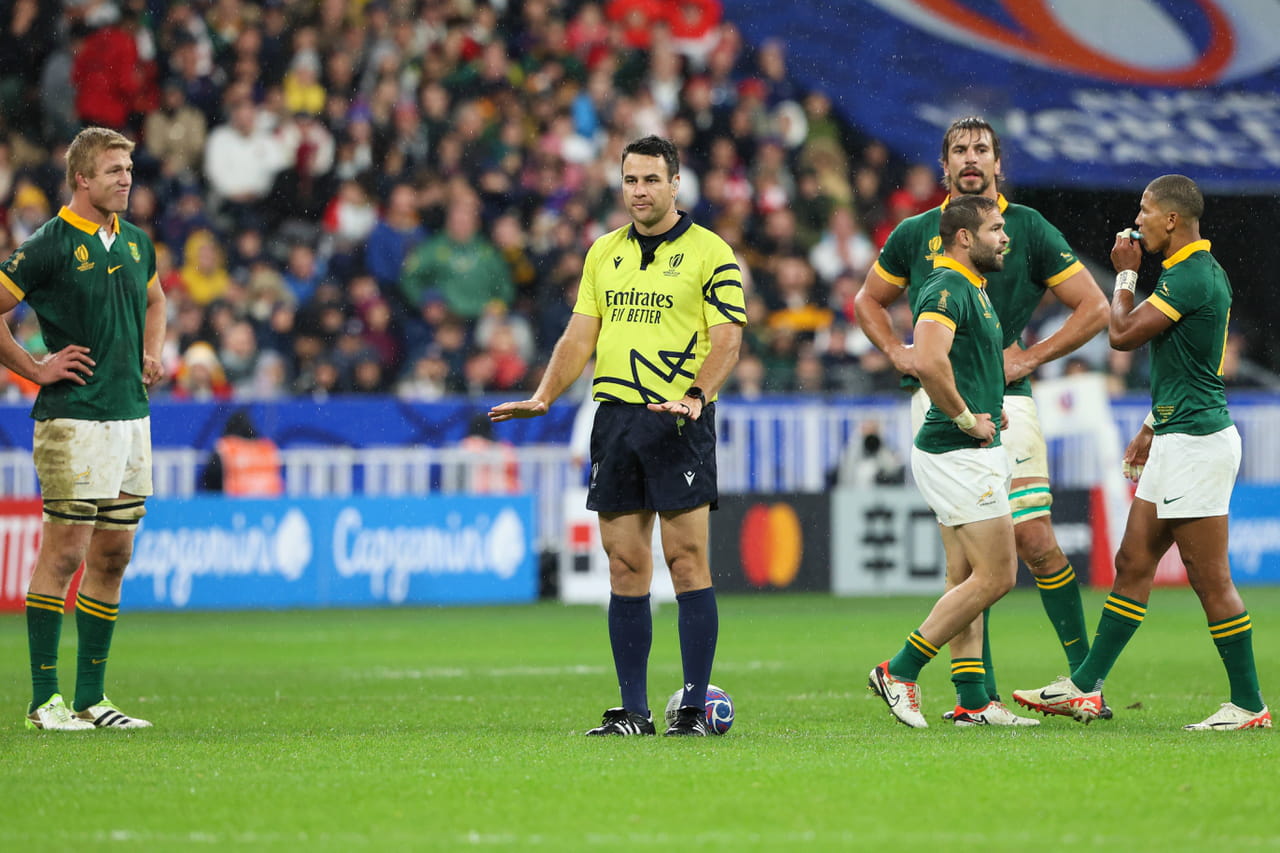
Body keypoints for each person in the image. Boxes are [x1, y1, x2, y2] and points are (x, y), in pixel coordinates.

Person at [854, 116, 1110, 722]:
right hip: (945, 404)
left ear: (999, 164)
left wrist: (1030, 355)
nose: (971, 159)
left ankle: (1082, 680)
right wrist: (897, 354)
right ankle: (974, 698)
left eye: (982, 150)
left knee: (1032, 537)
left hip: (1007, 399)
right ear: (944, 166)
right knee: (968, 562)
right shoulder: (919, 233)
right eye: (960, 151)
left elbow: (1094, 308)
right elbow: (868, 299)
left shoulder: (1026, 228)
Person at [490, 135, 745, 737]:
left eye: (651, 180)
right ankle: (634, 710)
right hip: (616, 417)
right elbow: (581, 336)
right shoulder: (603, 253)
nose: (639, 191)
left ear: (675, 183)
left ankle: (690, 709)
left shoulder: (712, 253)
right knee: (625, 565)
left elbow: (728, 339)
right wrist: (544, 395)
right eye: (630, 180)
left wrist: (695, 397)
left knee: (686, 561)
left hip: (678, 417)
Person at [1014, 175, 1270, 731]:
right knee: (1132, 564)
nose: (1138, 220)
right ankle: (1083, 687)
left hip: (1199, 443)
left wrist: (1124, 272)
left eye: (1145, 210)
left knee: (1211, 580)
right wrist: (1153, 425)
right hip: (1178, 436)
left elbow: (1122, 334)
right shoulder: (1189, 273)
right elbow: (1189, 366)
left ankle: (1250, 704)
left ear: (1172, 220)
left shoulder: (1193, 275)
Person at [0, 127, 166, 730]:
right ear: (82, 179)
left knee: (114, 553)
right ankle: (45, 701)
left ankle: (92, 699)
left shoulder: (137, 242)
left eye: (129, 168)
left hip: (130, 415)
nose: (126, 177)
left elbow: (156, 302)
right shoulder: (48, 244)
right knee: (65, 549)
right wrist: (36, 368)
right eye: (113, 170)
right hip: (74, 418)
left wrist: (152, 352)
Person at [866, 195, 1034, 728]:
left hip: (972, 448)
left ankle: (973, 702)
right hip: (955, 452)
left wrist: (988, 411)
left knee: (966, 576)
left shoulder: (972, 288)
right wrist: (966, 418)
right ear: (965, 237)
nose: (1004, 237)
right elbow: (929, 361)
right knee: (999, 575)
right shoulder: (944, 287)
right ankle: (899, 670)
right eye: (995, 229)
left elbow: (961, 365)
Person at [199, 408, 284, 496]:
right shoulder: (267, 447)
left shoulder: (226, 447)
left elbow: (212, 478)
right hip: (270, 505)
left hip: (235, 505)